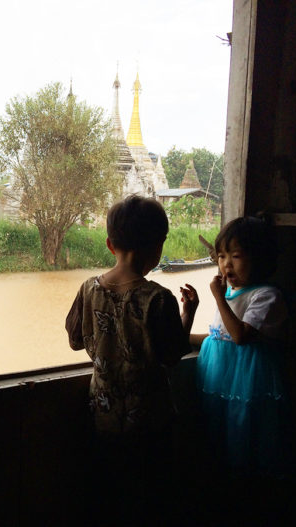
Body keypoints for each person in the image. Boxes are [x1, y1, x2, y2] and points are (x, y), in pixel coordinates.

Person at [65, 195, 198, 522]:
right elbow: (171, 355)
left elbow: (73, 339)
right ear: (157, 247)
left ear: (110, 244)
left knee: (110, 491)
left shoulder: (88, 288)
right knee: (150, 494)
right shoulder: (157, 298)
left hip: (103, 413)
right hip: (149, 419)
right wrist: (188, 314)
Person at [191, 215, 288, 477]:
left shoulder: (266, 295)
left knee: (242, 427)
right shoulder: (232, 293)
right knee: (219, 427)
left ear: (260, 258)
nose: (225, 265)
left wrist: (218, 299)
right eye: (221, 257)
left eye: (235, 256)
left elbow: (240, 336)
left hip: (247, 378)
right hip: (221, 376)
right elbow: (219, 335)